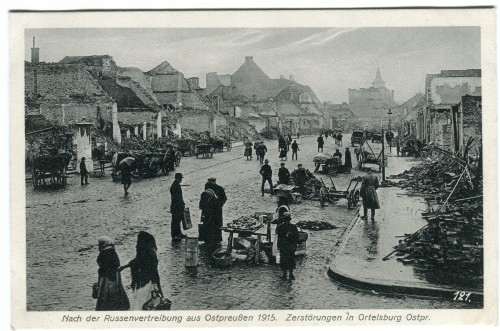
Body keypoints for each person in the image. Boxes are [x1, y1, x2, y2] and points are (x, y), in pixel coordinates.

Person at [118, 231, 162, 310]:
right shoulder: (151, 254)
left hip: (140, 285)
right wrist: (159, 289)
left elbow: (135, 262)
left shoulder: (141, 253)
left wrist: (124, 267)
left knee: (139, 306)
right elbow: (155, 273)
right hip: (148, 285)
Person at [95, 236, 129, 311]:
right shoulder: (112, 251)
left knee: (106, 294)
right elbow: (117, 264)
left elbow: (102, 264)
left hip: (106, 277)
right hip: (114, 277)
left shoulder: (104, 252)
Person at [276, 212, 299, 280]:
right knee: (291, 259)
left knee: (284, 259)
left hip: (284, 246)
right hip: (290, 246)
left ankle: (285, 274)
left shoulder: (280, 227)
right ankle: (290, 274)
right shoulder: (293, 227)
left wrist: (279, 246)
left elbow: (279, 237)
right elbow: (296, 237)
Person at [199, 182, 220, 250]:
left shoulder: (204, 193)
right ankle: (211, 240)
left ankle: (207, 240)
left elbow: (201, 205)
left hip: (208, 212)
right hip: (214, 212)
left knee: (206, 225)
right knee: (212, 226)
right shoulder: (212, 192)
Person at [207, 177, 227, 244]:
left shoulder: (219, 188)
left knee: (218, 223)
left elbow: (224, 198)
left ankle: (218, 238)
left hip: (217, 209)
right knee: (210, 223)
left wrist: (220, 204)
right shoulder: (207, 188)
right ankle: (210, 238)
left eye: (212, 181)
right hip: (209, 210)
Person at [170, 173, 187, 241]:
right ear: (178, 178)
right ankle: (174, 235)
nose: (181, 180)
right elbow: (177, 198)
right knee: (175, 221)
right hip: (176, 206)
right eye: (180, 179)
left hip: (177, 206)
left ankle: (179, 233)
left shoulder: (176, 185)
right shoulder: (175, 186)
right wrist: (181, 204)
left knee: (178, 220)